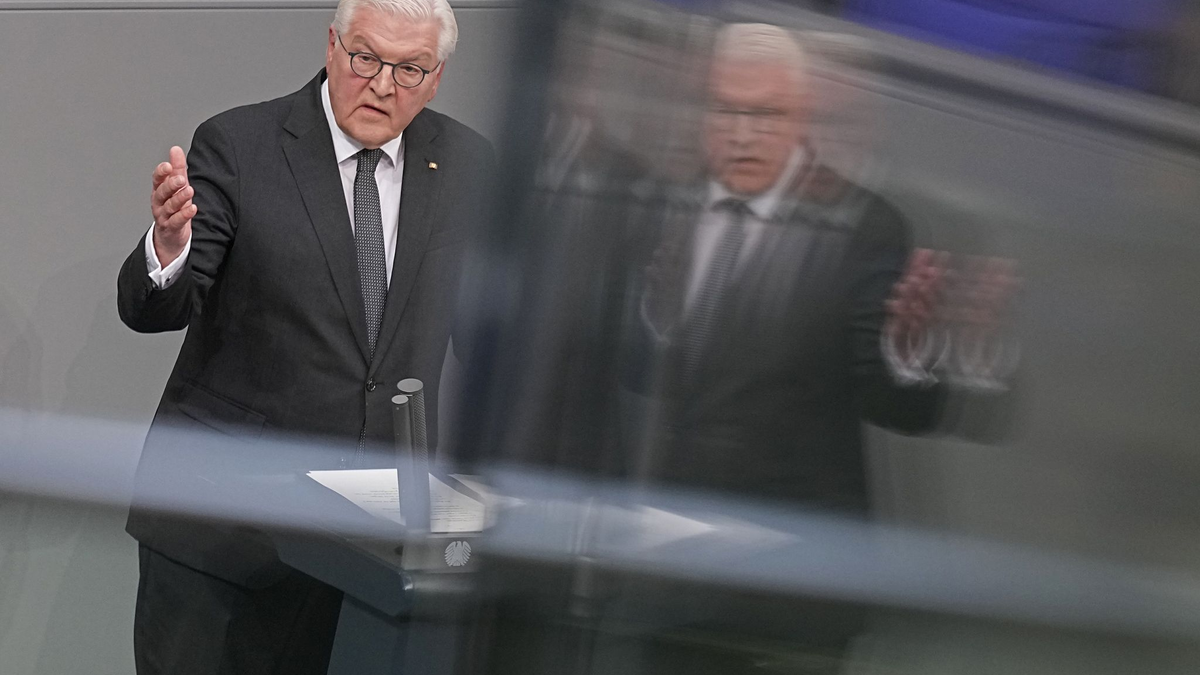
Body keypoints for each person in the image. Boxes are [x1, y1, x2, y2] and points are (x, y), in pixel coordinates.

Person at [115, 0, 494, 671]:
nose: (382, 83)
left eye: (410, 69)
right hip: (224, 541)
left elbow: (487, 337)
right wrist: (168, 247)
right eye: (367, 57)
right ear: (332, 45)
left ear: (436, 78)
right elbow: (158, 306)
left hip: (368, 558)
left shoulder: (466, 166)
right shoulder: (241, 146)